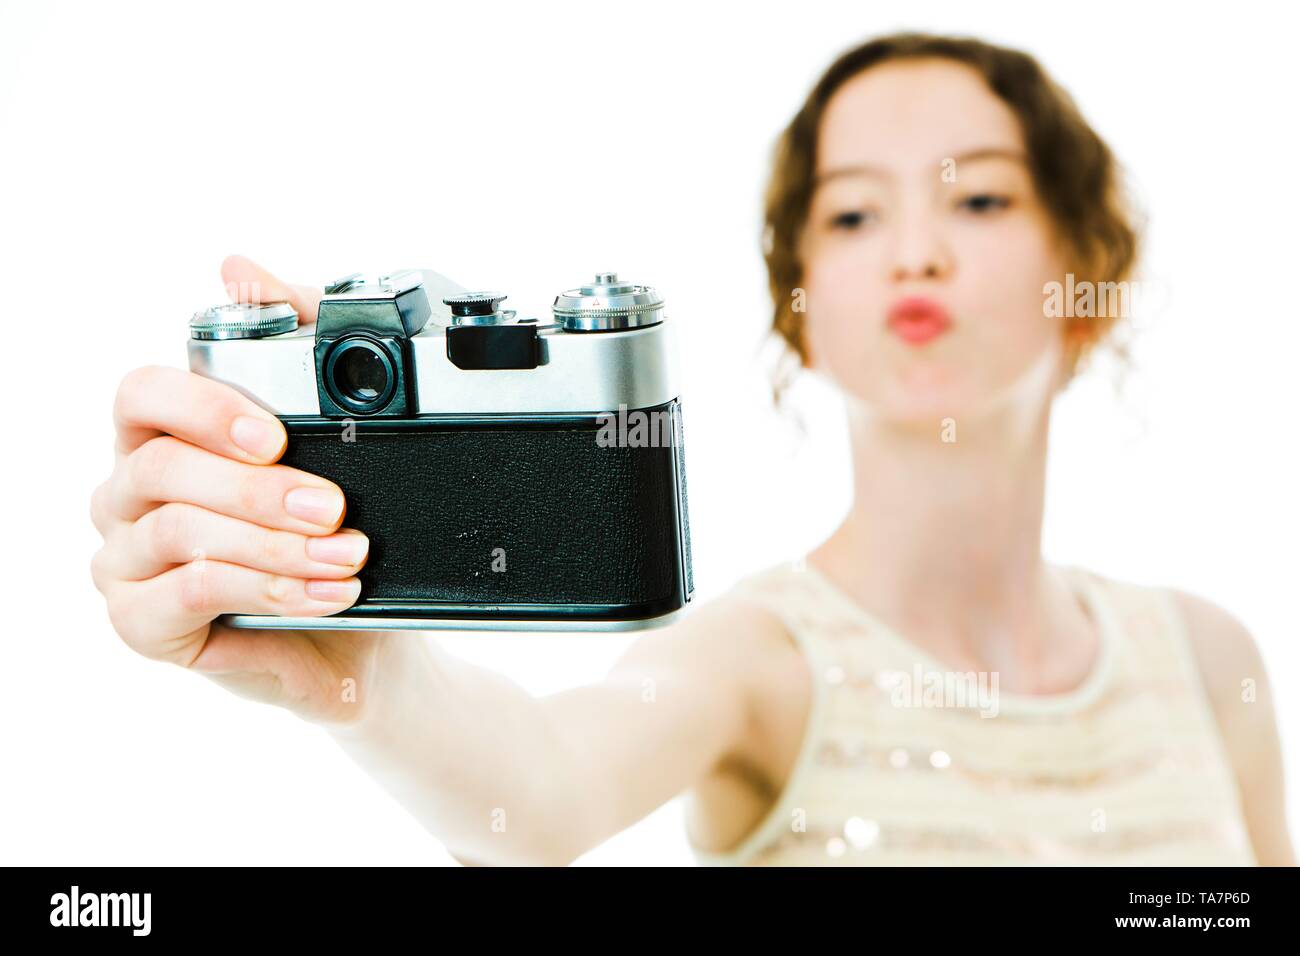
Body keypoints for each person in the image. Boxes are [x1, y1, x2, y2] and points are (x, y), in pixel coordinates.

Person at [89, 32, 1293, 866]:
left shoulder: (1209, 658)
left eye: (976, 199)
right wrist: (350, 674)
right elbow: (542, 791)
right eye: (855, 213)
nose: (913, 249)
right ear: (798, 301)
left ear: (1084, 271)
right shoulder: (760, 654)